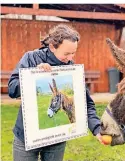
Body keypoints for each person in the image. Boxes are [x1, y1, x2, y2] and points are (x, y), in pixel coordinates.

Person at [8, 24, 104, 161]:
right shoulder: (31, 58)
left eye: (73, 53)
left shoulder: (71, 68)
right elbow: (12, 89)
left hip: (56, 139)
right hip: (26, 139)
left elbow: (85, 102)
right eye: (66, 53)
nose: (70, 58)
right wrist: (33, 75)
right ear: (52, 47)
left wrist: (96, 128)